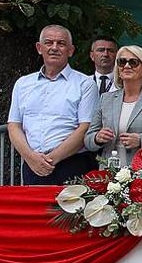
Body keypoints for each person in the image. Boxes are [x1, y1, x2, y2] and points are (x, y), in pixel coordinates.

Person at [7, 24, 98, 184]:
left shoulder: (85, 84)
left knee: (70, 210)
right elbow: (14, 125)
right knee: (32, 210)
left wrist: (50, 160)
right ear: (39, 48)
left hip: (71, 163)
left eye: (61, 43)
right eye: (49, 43)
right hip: (32, 165)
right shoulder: (23, 83)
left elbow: (85, 127)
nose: (54, 48)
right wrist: (31, 158)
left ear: (70, 50)